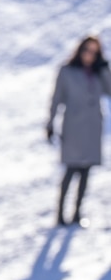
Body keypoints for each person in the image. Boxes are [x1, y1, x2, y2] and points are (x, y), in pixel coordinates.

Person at [48, 35, 111, 227]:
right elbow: (56, 98)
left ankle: (77, 213)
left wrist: (105, 69)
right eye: (86, 50)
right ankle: (60, 214)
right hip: (73, 127)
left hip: (92, 128)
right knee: (71, 169)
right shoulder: (66, 71)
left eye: (94, 52)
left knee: (86, 171)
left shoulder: (98, 73)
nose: (89, 55)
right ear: (79, 50)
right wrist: (50, 123)